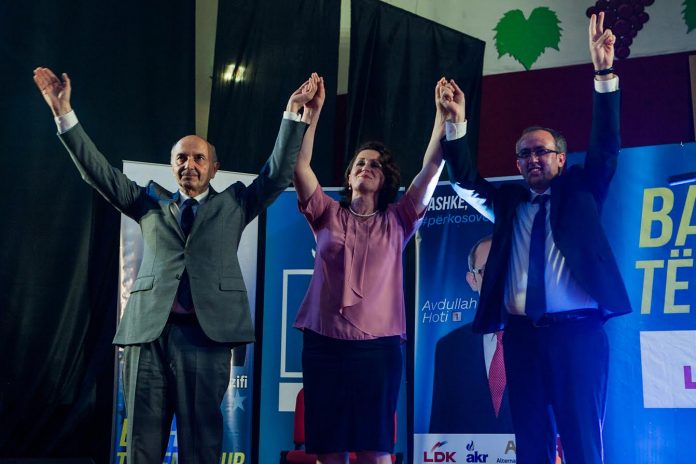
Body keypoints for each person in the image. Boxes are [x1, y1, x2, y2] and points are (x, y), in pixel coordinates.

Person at [32, 67, 312, 464]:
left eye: (199, 158)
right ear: (171, 165)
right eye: (181, 158)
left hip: (205, 338)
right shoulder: (147, 203)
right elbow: (99, 173)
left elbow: (277, 174)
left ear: (214, 167)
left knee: (201, 448)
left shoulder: (235, 203)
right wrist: (64, 114)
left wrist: (291, 115)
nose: (189, 165)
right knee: (142, 447)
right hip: (149, 336)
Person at [437, 13, 632, 464]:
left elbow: (606, 147)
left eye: (541, 151)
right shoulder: (508, 204)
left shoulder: (583, 190)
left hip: (579, 335)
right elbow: (464, 182)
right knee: (531, 444)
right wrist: (456, 124)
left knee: (583, 444)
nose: (532, 159)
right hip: (522, 337)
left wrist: (604, 73)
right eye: (523, 154)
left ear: (561, 159)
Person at [291, 73, 447, 464]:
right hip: (324, 345)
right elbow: (298, 163)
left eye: (375, 164)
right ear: (348, 176)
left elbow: (431, 169)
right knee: (329, 453)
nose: (366, 167)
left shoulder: (400, 218)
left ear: (386, 178)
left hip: (378, 349)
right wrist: (312, 114)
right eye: (360, 163)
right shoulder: (326, 213)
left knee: (374, 452)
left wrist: (442, 118)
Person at [429, 235, 514, 434]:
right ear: (472, 280)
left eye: (504, 267)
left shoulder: (538, 340)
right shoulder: (450, 348)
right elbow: (441, 426)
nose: (497, 276)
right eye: (487, 270)